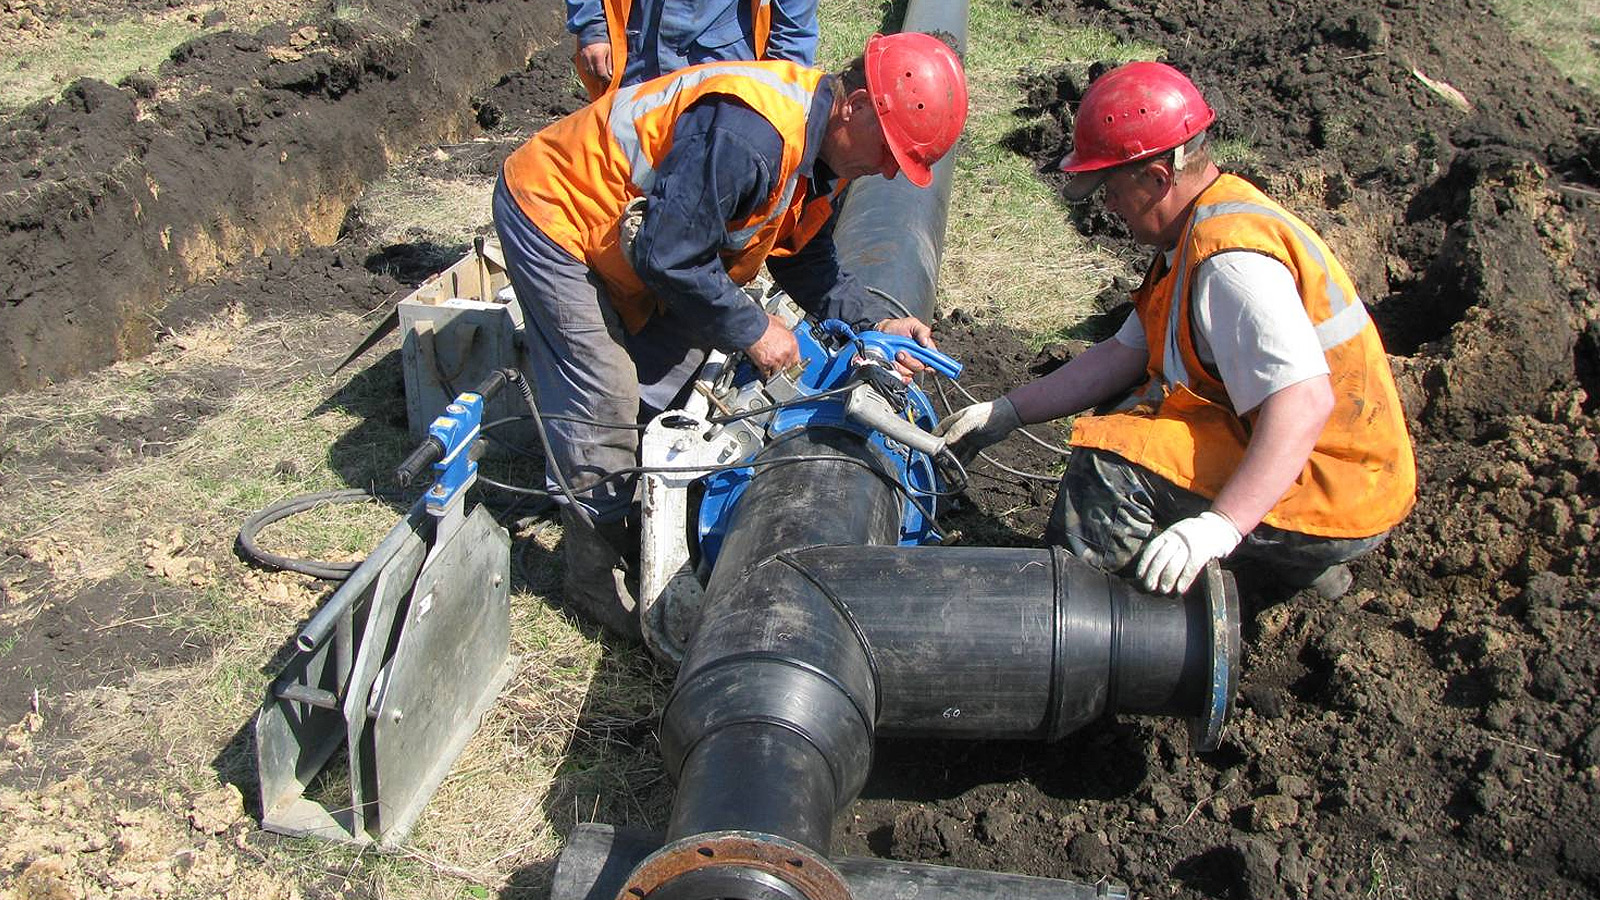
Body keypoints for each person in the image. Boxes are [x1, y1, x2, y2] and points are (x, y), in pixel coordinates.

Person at [495, 32, 968, 638]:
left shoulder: (823, 153)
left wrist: (874, 322)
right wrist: (752, 328)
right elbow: (669, 255)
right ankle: (594, 571)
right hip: (556, 211)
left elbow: (805, 259)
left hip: (629, 237)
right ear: (854, 107)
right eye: (889, 151)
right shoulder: (750, 136)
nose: (886, 171)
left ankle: (618, 483)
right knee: (605, 394)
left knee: (683, 356)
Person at [938, 61, 1415, 600]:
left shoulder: (1230, 265)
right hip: (1327, 467)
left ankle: (1076, 618)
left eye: (1110, 188)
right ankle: (1289, 565)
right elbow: (1121, 354)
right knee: (1133, 404)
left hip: (1336, 485)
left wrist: (1221, 525)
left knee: (1112, 460)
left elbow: (1303, 404)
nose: (1108, 205)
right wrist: (1007, 413)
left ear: (1158, 178)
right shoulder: (1199, 224)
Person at [567, 0, 819, 100]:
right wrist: (592, 25)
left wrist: (778, 98)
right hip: (638, 57)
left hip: (724, 77)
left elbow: (792, 35)